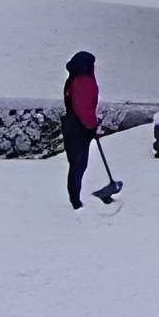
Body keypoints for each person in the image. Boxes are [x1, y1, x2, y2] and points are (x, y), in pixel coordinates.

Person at [63, 50, 101, 209]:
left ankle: (75, 199)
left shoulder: (72, 79)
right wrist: (92, 126)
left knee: (75, 164)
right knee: (78, 164)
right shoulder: (83, 82)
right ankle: (76, 202)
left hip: (70, 125)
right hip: (79, 128)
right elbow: (83, 109)